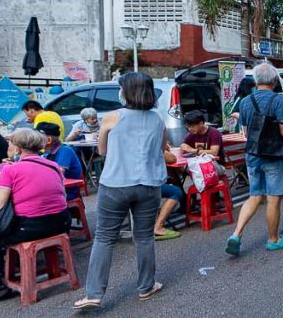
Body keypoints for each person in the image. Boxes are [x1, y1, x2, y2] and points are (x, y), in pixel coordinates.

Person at [76, 72, 166, 310]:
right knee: (145, 237)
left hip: (116, 184)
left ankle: (94, 294)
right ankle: (146, 287)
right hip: (149, 185)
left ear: (125, 92)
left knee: (105, 238)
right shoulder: (157, 119)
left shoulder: (112, 117)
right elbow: (161, 147)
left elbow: (103, 151)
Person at [0, 129, 70, 304]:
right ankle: (3, 271)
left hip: (31, 227)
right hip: (61, 222)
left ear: (17, 149)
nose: (8, 147)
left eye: (10, 144)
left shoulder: (12, 169)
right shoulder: (53, 165)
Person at [225, 62, 283, 256]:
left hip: (252, 155)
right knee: (273, 198)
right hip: (273, 155)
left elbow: (247, 131)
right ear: (274, 81)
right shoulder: (279, 100)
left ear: (255, 81)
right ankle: (273, 239)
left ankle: (236, 234)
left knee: (254, 195)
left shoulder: (246, 102)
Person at [37, 121, 83, 199]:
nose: (34, 139)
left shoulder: (65, 150)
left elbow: (59, 172)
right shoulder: (45, 152)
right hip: (51, 188)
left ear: (48, 140)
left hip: (65, 191)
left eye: (38, 137)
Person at [154, 143, 183, 241]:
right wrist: (162, 146)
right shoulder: (150, 142)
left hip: (119, 186)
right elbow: (172, 158)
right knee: (176, 191)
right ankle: (158, 227)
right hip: (146, 186)